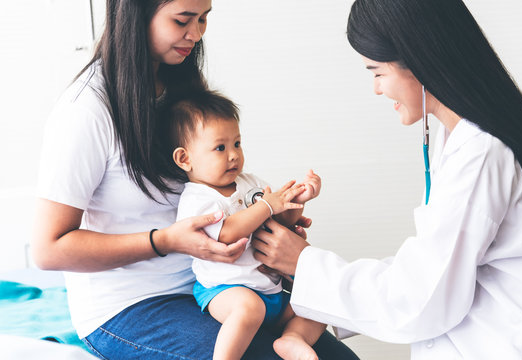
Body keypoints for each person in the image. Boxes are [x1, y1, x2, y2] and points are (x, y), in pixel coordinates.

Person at [31, 1, 359, 359]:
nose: (196, 33)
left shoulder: (180, 86)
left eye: (203, 19)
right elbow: (49, 249)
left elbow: (217, 195)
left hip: (214, 283)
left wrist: (272, 227)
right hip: (131, 306)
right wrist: (166, 242)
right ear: (135, 16)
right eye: (182, 20)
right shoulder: (86, 112)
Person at [251, 0, 522, 359]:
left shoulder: (480, 153)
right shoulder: (457, 140)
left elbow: (424, 298)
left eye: (377, 72)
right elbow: (431, 267)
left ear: (418, 62)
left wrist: (305, 263)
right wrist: (304, 271)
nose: (376, 89)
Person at [161, 89, 327, 360]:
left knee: (318, 300)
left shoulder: (250, 183)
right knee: (249, 309)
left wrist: (297, 202)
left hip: (270, 291)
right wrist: (267, 205)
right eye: (220, 148)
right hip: (226, 291)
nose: (233, 155)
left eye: (237, 144)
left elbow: (277, 225)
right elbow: (225, 234)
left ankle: (293, 338)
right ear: (185, 158)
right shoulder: (197, 199)